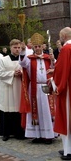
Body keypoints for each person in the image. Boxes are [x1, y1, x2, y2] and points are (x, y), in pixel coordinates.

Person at [19, 33, 56, 144]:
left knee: (46, 110)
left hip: (46, 87)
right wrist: (23, 50)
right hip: (34, 88)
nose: (38, 48)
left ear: (42, 46)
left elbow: (54, 69)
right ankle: (37, 135)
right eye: (36, 46)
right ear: (33, 48)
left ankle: (48, 135)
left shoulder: (48, 58)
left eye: (39, 46)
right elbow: (22, 63)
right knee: (36, 111)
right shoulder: (29, 59)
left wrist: (53, 61)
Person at [0, 39, 25, 141]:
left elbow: (28, 71)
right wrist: (13, 74)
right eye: (15, 47)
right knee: (7, 110)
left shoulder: (23, 60)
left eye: (19, 48)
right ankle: (6, 133)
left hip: (19, 87)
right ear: (10, 48)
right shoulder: (3, 60)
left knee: (18, 110)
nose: (17, 50)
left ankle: (19, 132)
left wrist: (22, 73)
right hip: (7, 88)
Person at [51, 27, 71, 160]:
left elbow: (61, 69)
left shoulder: (66, 49)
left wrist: (53, 80)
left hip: (68, 90)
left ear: (64, 36)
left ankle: (69, 151)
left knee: (67, 119)